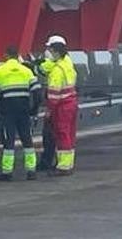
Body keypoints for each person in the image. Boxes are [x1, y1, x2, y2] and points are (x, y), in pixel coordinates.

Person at [0, 45, 41, 181]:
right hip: (24, 110)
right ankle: (31, 171)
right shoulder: (26, 71)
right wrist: (34, 108)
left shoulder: (0, 70)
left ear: (6, 55)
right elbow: (37, 91)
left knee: (9, 141)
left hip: (8, 111)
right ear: (17, 55)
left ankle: (7, 172)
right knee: (27, 140)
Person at [39, 34, 78, 176]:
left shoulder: (57, 71)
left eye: (50, 49)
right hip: (71, 102)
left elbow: (54, 94)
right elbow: (47, 66)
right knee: (69, 134)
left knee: (62, 134)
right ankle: (68, 163)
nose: (48, 51)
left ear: (55, 50)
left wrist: (49, 110)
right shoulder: (67, 62)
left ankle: (63, 166)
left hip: (61, 106)